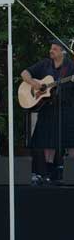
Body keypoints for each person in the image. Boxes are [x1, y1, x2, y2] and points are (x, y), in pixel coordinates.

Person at [21, 39, 74, 180]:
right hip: (47, 107)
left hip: (66, 107)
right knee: (46, 141)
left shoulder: (70, 67)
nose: (51, 51)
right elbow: (24, 73)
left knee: (70, 141)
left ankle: (70, 172)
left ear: (63, 52)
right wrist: (34, 84)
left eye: (55, 49)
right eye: (51, 48)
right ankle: (48, 172)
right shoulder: (44, 64)